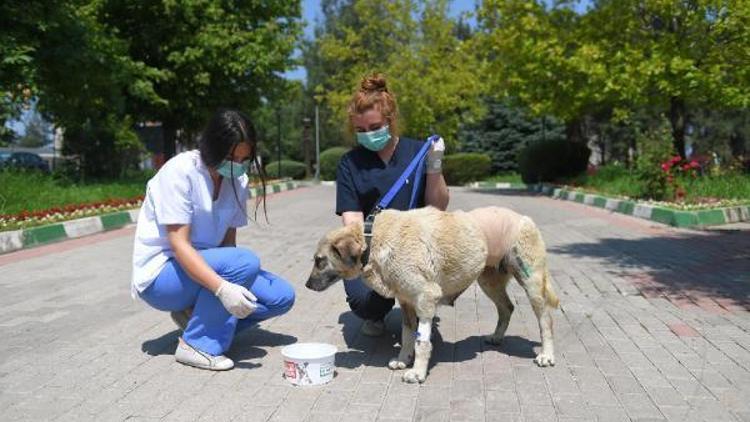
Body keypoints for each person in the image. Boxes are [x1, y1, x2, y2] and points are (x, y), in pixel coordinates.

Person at [131, 109, 295, 370]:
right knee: (245, 261)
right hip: (164, 276)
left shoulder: (237, 180)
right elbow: (179, 244)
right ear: (211, 147)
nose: (237, 164)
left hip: (203, 271)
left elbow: (228, 245)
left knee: (281, 296)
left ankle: (201, 321)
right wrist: (221, 289)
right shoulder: (180, 172)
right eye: (231, 157)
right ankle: (198, 345)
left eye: (244, 158)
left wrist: (225, 287)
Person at [336, 74, 450, 336]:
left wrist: (435, 165)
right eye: (361, 131)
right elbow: (352, 222)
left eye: (375, 127)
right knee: (365, 304)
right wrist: (378, 262)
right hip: (374, 250)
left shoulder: (419, 152)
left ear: (390, 120)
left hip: (417, 248)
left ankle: (419, 305)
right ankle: (378, 312)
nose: (368, 135)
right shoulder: (349, 163)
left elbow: (438, 207)